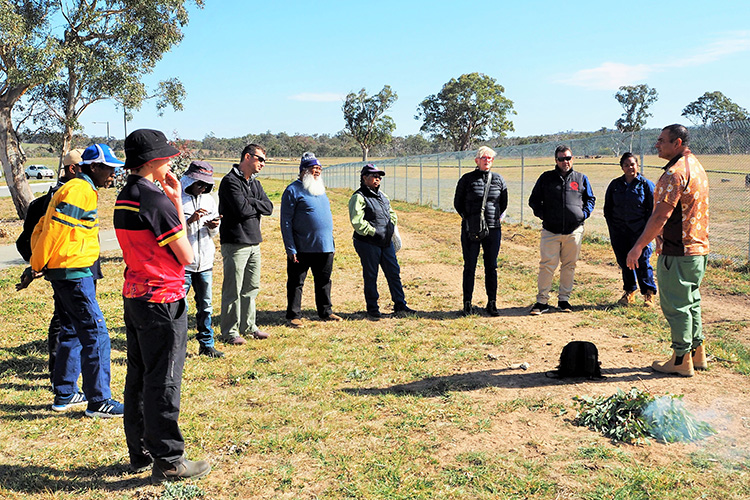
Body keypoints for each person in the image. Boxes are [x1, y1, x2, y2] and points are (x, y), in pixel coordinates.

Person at [114, 129, 210, 481]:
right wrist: (173, 203)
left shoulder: (127, 196)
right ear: (154, 162)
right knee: (165, 380)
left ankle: (139, 451)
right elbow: (185, 255)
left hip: (136, 295)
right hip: (163, 298)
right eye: (168, 157)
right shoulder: (155, 201)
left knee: (139, 376)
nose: (172, 162)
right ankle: (169, 460)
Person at [30, 144, 124, 418]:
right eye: (109, 168)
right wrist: (37, 265)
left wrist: (39, 264)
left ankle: (66, 393)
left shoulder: (74, 188)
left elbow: (41, 227)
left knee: (71, 329)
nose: (113, 174)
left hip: (64, 271)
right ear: (93, 167)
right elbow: (55, 230)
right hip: (74, 272)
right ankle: (99, 401)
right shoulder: (80, 190)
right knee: (96, 334)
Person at [627, 124, 709, 377]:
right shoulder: (696, 166)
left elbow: (660, 216)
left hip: (678, 252)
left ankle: (680, 359)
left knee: (676, 307)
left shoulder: (674, 173)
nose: (657, 144)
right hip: (698, 250)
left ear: (678, 143)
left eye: (662, 140)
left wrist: (639, 246)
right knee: (691, 302)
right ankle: (697, 353)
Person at [16, 149, 95, 393]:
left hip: (85, 267)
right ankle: (58, 374)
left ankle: (64, 378)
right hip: (65, 271)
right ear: (74, 169)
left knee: (72, 322)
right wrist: (36, 266)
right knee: (65, 322)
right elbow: (28, 239)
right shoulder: (47, 201)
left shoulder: (83, 192)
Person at [528, 145, 595, 315]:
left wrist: (583, 215)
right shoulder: (546, 178)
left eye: (568, 158)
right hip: (551, 231)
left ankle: (564, 300)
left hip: (573, 231)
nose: (565, 162)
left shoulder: (581, 178)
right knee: (547, 266)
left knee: (569, 266)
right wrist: (545, 216)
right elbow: (534, 201)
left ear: (572, 158)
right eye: (561, 159)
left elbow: (590, 199)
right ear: (555, 160)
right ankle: (542, 301)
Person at [218, 144, 274, 343]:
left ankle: (249, 326)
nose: (263, 164)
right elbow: (241, 210)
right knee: (233, 289)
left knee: (251, 288)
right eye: (260, 159)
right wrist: (252, 204)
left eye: (264, 160)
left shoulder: (255, 184)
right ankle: (230, 332)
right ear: (247, 157)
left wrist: (252, 202)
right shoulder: (230, 181)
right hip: (235, 243)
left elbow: (269, 207)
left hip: (253, 242)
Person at [280, 152, 342, 327]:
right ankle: (294, 315)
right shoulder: (293, 190)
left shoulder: (320, 191)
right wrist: (290, 248)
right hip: (301, 247)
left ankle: (325, 311)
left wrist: (331, 243)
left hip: (324, 247)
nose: (317, 172)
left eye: (319, 169)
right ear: (303, 171)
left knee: (324, 281)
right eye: (313, 169)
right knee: (296, 282)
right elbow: (286, 222)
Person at [348, 164, 414, 320]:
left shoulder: (383, 196)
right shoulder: (358, 197)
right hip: (367, 243)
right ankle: (372, 308)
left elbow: (391, 214)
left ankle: (400, 305)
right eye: (374, 176)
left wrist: (390, 227)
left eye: (379, 176)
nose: (377, 179)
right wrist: (374, 232)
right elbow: (357, 222)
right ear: (364, 178)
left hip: (385, 242)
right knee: (371, 275)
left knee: (393, 272)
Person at [453, 146, 508, 316]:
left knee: (491, 266)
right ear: (476, 160)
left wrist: (493, 219)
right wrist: (470, 219)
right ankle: (467, 304)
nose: (487, 161)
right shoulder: (467, 179)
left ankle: (492, 303)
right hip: (471, 229)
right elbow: (458, 203)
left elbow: (503, 203)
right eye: (483, 158)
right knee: (470, 266)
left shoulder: (499, 180)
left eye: (490, 158)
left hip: (493, 229)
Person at [180, 161, 224, 358]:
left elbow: (214, 233)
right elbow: (172, 231)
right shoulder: (177, 199)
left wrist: (213, 225)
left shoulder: (208, 200)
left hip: (204, 262)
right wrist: (190, 221)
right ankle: (178, 347)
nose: (203, 188)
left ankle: (206, 345)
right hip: (183, 263)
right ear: (190, 180)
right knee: (180, 307)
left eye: (206, 185)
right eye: (200, 184)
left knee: (205, 306)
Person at [603, 153, 657, 307]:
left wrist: (648, 232)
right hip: (619, 232)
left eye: (632, 164)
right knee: (625, 262)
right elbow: (608, 209)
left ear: (637, 166)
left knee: (642, 262)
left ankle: (649, 294)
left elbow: (652, 210)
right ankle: (629, 292)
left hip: (640, 232)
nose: (629, 168)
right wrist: (613, 228)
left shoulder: (646, 185)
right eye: (626, 165)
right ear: (622, 167)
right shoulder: (615, 185)